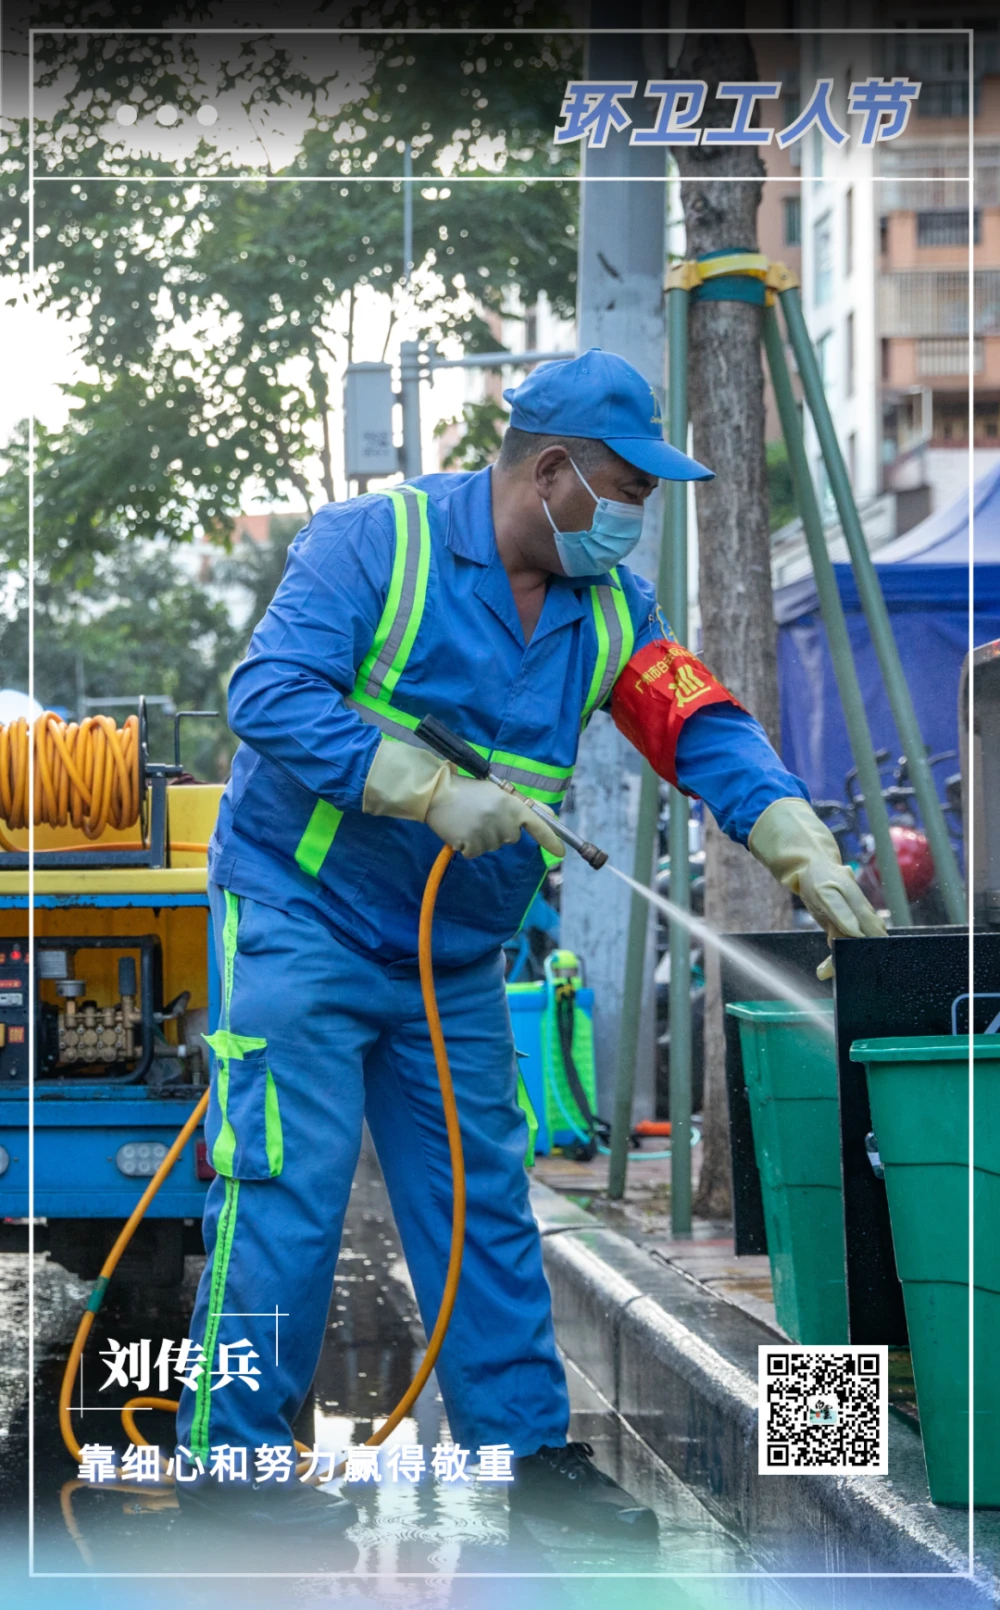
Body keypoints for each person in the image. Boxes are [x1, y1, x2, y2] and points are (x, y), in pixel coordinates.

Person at [176, 348, 885, 1537]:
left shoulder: (608, 607)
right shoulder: (375, 544)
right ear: (551, 471)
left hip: (449, 955)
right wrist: (411, 780)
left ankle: (528, 1457)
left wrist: (784, 824)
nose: (635, 521)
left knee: (480, 1208)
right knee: (284, 1197)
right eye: (627, 493)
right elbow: (269, 693)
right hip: (303, 920)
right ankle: (230, 1471)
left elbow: (693, 717)